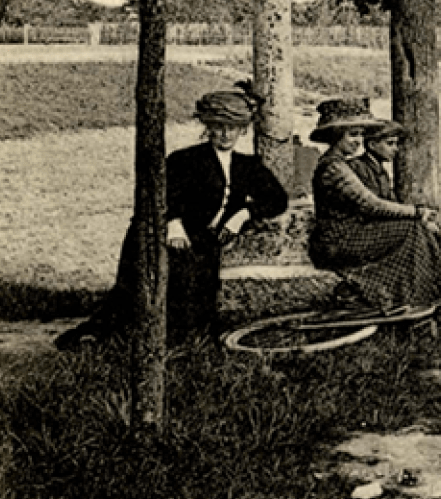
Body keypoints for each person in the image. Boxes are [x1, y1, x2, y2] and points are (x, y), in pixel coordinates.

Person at [56, 89, 288, 350]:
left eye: (232, 128)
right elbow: (163, 197)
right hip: (160, 237)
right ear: (207, 127)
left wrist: (243, 214)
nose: (225, 134)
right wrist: (173, 225)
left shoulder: (247, 166)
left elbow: (277, 199)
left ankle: (188, 347)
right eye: (218, 127)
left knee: (200, 303)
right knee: (137, 299)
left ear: (242, 130)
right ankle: (102, 339)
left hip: (202, 242)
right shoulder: (186, 160)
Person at [305, 98, 441, 308]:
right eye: (352, 135)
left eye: (361, 134)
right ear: (336, 136)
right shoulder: (334, 168)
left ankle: (419, 293)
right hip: (336, 242)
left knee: (413, 229)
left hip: (346, 235)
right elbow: (369, 204)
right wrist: (417, 212)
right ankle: (414, 297)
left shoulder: (338, 165)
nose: (358, 141)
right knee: (412, 229)